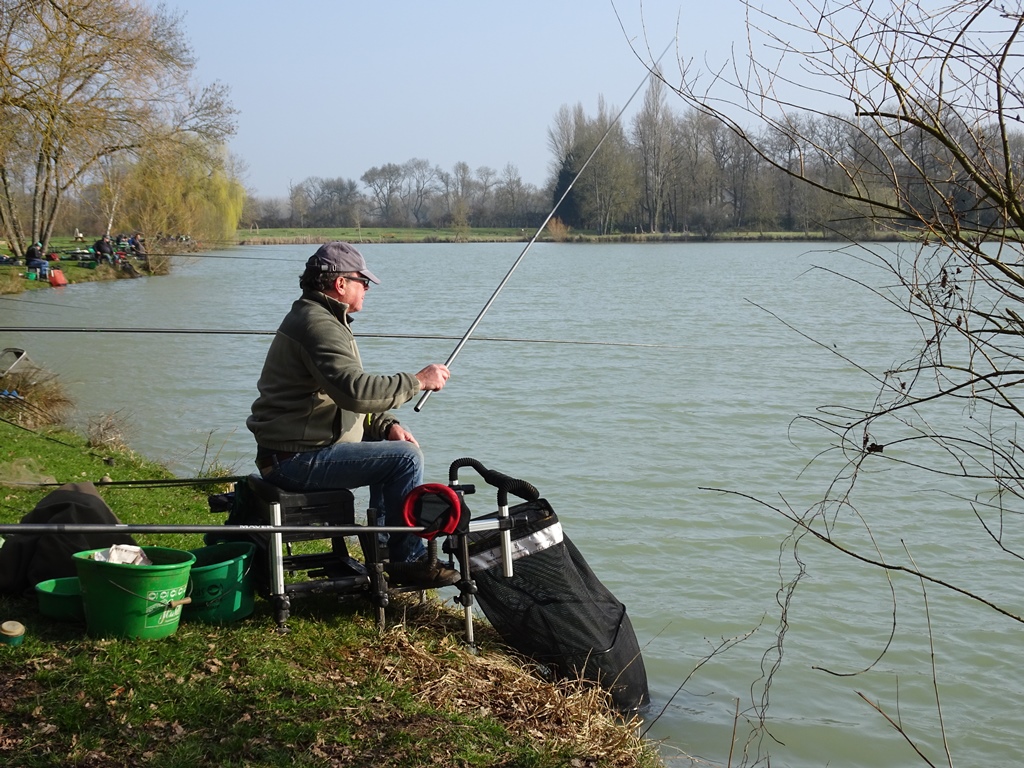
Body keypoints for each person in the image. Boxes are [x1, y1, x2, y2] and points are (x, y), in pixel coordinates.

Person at [246, 242, 456, 588]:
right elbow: (355, 392)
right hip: (294, 460)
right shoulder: (319, 325)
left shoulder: (318, 317)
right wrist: (418, 381)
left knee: (394, 449)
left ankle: (386, 549)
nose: (367, 289)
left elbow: (340, 396)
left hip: (290, 451)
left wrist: (385, 425)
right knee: (404, 459)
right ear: (340, 283)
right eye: (363, 281)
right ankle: (406, 559)